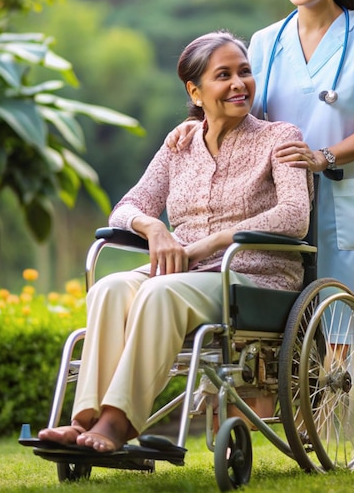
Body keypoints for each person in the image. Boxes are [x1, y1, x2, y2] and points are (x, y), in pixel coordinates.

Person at [168, 0, 354, 425]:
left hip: (346, 194)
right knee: (288, 320)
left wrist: (321, 157)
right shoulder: (265, 41)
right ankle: (299, 421)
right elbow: (236, 102)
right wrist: (192, 125)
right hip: (277, 199)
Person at [38, 31, 311, 453]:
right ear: (195, 91)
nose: (239, 84)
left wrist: (212, 243)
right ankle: (84, 420)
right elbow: (126, 207)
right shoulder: (179, 145)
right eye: (224, 75)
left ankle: (117, 423)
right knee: (110, 287)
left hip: (252, 278)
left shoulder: (279, 137)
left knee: (160, 290)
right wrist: (154, 228)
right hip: (184, 274)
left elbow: (295, 214)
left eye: (244, 72)